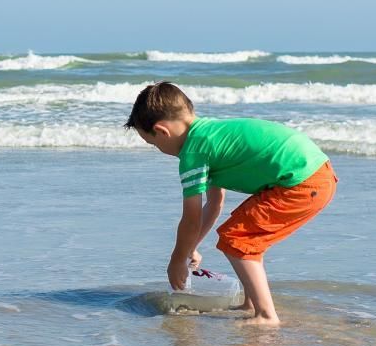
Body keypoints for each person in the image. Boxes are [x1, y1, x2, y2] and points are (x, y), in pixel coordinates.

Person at [124, 81, 338, 326]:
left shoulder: (193, 153)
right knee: (245, 237)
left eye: (153, 144)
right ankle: (251, 304)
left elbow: (191, 217)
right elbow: (215, 203)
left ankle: (267, 316)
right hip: (313, 174)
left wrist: (176, 260)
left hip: (303, 182)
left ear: (162, 131)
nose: (158, 149)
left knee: (237, 239)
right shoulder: (208, 134)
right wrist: (191, 246)